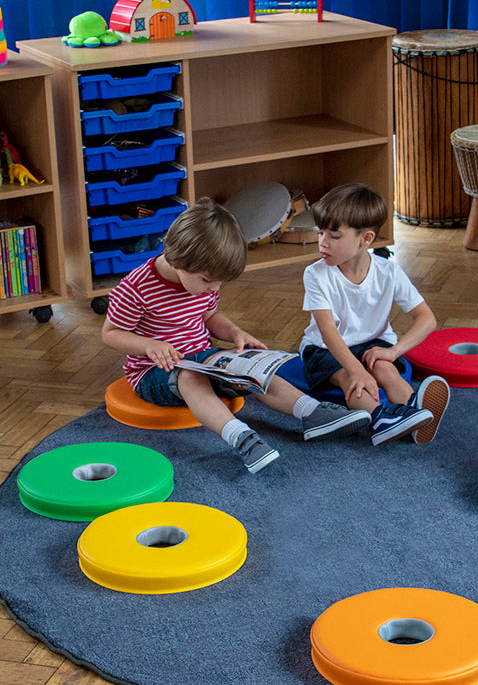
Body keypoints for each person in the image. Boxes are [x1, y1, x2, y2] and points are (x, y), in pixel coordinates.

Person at [101, 198, 370, 473]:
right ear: (176, 260)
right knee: (192, 378)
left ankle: (312, 412)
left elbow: (209, 318)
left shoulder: (202, 282)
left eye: (220, 282)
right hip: (155, 370)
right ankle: (241, 438)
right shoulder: (135, 288)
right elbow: (110, 334)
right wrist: (149, 345)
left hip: (202, 356)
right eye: (208, 281)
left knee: (254, 369)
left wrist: (236, 333)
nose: (214, 288)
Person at [299, 183, 450, 445]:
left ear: (365, 239)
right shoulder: (315, 274)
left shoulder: (388, 272)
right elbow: (328, 332)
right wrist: (357, 370)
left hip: (374, 343)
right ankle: (381, 417)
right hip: (324, 349)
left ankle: (415, 411)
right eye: (320, 232)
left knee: (386, 369)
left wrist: (393, 351)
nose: (322, 242)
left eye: (334, 236)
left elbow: (427, 319)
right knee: (351, 379)